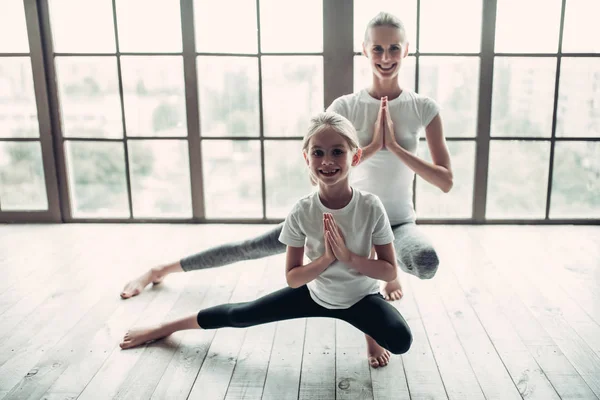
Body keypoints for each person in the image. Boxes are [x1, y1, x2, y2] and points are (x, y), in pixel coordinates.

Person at [120, 11, 452, 367]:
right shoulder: (344, 107)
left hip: (393, 221)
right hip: (327, 218)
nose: (386, 57)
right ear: (364, 50)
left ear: (406, 51)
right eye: (378, 48)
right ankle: (161, 271)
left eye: (394, 49)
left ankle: (374, 321)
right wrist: (372, 145)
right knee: (249, 248)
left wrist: (396, 149)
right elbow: (325, 162)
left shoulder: (422, 107)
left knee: (422, 262)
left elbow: (445, 181)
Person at [120, 112, 413, 368]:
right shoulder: (302, 211)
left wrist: (349, 258)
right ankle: (164, 327)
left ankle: (371, 337)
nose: (327, 161)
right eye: (318, 152)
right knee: (240, 314)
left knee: (400, 341)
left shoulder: (371, 206)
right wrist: (326, 260)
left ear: (355, 156)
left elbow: (389, 271)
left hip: (362, 298)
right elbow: (294, 279)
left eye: (337, 152)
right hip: (316, 295)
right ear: (306, 158)